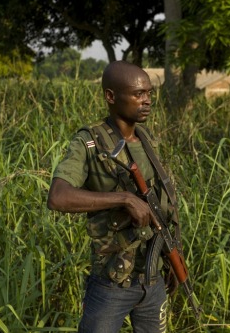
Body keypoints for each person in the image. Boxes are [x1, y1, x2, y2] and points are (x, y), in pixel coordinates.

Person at [48, 60, 180, 332]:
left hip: (152, 280)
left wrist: (172, 255)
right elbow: (58, 197)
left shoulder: (147, 140)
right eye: (138, 94)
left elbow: (162, 205)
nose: (146, 101)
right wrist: (123, 199)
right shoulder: (89, 143)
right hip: (111, 283)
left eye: (149, 94)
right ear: (111, 96)